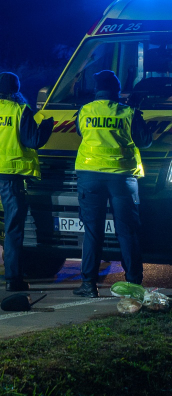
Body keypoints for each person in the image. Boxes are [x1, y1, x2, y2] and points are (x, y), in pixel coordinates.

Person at [0, 72, 53, 291]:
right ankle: (13, 279)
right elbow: (32, 141)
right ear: (16, 89)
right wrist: (47, 127)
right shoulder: (20, 110)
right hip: (9, 173)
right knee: (14, 226)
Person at [73, 70, 151, 298]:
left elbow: (81, 133)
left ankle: (88, 285)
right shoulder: (128, 112)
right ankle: (134, 284)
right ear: (117, 90)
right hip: (122, 178)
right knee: (127, 233)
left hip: (90, 176)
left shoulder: (85, 111)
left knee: (92, 233)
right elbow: (144, 142)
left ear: (96, 89)